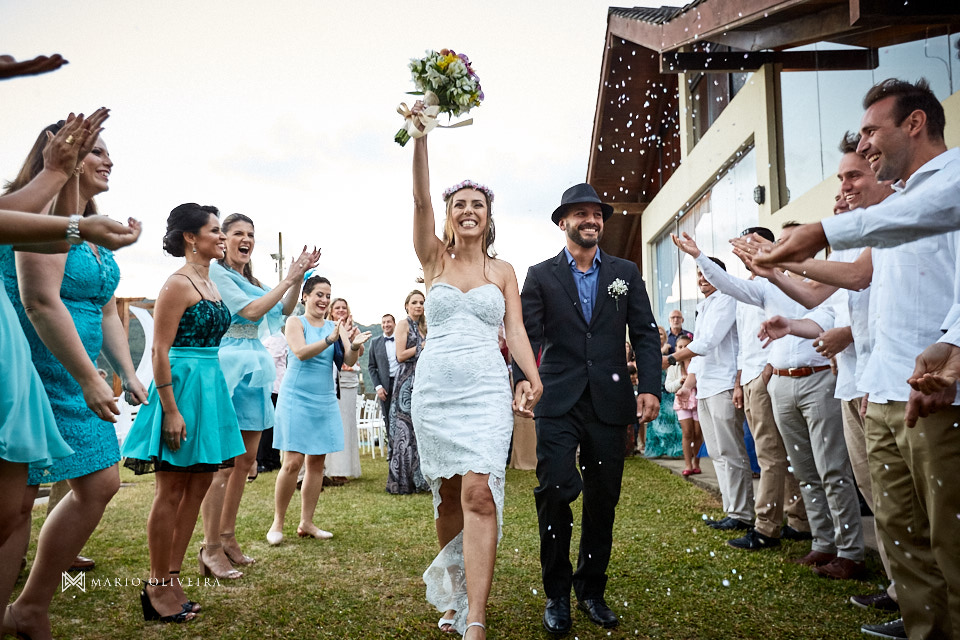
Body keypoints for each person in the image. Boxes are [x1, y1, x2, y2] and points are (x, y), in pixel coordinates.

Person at [756, 78, 960, 640]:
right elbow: (864, 282)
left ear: (914, 123)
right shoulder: (900, 206)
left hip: (938, 396)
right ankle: (923, 629)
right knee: (902, 533)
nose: (865, 144)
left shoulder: (952, 181)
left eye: (872, 131)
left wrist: (954, 344)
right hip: (886, 392)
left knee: (950, 538)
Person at [1, 115, 149, 640]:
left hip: (80, 373)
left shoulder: (87, 226)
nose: (108, 160)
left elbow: (107, 310)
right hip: (34, 367)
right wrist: (87, 375)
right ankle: (21, 610)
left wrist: (124, 369)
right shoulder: (28, 212)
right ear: (61, 151)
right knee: (16, 504)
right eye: (96, 150)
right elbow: (40, 300)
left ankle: (31, 603)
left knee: (100, 483)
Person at [408, 130, 543, 640]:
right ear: (449, 215)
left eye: (477, 205)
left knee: (479, 494)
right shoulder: (433, 259)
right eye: (460, 205)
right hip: (436, 392)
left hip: (486, 390)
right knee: (448, 497)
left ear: (489, 216)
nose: (468, 211)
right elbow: (420, 198)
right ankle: (454, 594)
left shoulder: (503, 270)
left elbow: (516, 330)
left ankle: (477, 617)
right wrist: (421, 137)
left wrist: (533, 377)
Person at [674, 230, 866, 577]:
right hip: (780, 382)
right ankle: (822, 543)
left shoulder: (823, 281)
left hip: (818, 378)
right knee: (804, 471)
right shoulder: (768, 285)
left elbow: (824, 320)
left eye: (789, 241)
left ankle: (850, 550)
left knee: (832, 470)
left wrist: (791, 321)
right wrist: (698, 256)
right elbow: (729, 285)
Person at [516, 183, 660, 635]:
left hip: (609, 402)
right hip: (557, 400)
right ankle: (557, 594)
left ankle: (591, 590)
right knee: (556, 490)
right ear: (563, 222)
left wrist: (650, 387)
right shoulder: (540, 276)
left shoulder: (625, 272)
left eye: (596, 214)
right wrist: (522, 378)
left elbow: (645, 332)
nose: (591, 220)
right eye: (581, 214)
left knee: (603, 499)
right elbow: (527, 335)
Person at [120, 204, 245, 623]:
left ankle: (172, 577)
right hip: (181, 388)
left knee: (199, 485)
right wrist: (170, 410)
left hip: (210, 387)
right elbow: (159, 350)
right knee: (171, 489)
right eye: (215, 230)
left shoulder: (210, 282)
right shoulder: (177, 284)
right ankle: (155, 586)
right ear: (191, 237)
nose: (222, 237)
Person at [201, 213, 319, 578]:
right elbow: (250, 310)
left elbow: (283, 308)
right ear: (224, 240)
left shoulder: (251, 280)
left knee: (245, 461)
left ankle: (228, 537)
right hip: (227, 366)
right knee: (223, 464)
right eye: (238, 233)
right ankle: (210, 546)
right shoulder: (217, 273)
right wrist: (288, 278)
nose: (246, 239)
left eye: (251, 234)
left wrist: (298, 278)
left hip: (255, 367)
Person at [267, 276, 370, 545]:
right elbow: (300, 352)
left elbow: (348, 360)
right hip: (296, 397)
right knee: (292, 462)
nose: (324, 300)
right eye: (319, 295)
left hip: (324, 398)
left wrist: (354, 345)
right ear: (305, 297)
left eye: (327, 296)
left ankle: (307, 522)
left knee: (316, 463)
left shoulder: (335, 327)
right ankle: (278, 522)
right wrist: (329, 339)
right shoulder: (295, 322)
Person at [726, 228, 809, 552]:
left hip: (766, 376)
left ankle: (766, 527)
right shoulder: (746, 288)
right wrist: (739, 382)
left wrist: (768, 371)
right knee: (778, 452)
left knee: (770, 454)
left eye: (751, 244)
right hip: (749, 378)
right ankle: (799, 520)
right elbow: (742, 343)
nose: (745, 251)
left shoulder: (777, 284)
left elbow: (786, 328)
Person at [666, 259, 754, 529]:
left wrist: (670, 359)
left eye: (707, 274)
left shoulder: (727, 298)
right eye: (699, 274)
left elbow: (708, 342)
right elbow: (699, 356)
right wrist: (686, 386)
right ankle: (731, 510)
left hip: (724, 384)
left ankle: (743, 514)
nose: (702, 279)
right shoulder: (703, 307)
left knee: (731, 450)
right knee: (716, 452)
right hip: (705, 387)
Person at [386, 290, 430, 495]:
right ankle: (403, 481)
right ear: (407, 306)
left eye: (421, 302)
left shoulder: (425, 326)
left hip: (423, 378)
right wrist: (421, 346)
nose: (418, 305)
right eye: (414, 302)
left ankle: (422, 479)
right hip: (406, 381)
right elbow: (400, 355)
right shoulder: (403, 325)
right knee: (405, 429)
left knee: (421, 429)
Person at [324, 296, 363, 483]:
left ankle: (345, 467)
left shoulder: (354, 329)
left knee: (347, 423)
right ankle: (332, 469)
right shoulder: (327, 327)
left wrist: (354, 340)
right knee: (335, 423)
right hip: (332, 377)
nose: (341, 310)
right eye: (337, 307)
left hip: (350, 378)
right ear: (331, 311)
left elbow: (359, 352)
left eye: (344, 308)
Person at [643, 326, 682, 459]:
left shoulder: (670, 350)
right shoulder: (649, 349)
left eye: (661, 334)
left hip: (668, 390)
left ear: (665, 337)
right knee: (655, 420)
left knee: (670, 420)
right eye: (656, 334)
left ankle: (672, 450)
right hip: (655, 389)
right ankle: (656, 450)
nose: (659, 336)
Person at [665, 334, 701, 475]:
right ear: (676, 349)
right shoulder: (673, 367)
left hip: (697, 400)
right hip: (682, 402)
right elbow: (668, 386)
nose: (684, 349)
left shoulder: (698, 362)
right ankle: (688, 465)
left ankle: (696, 462)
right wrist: (680, 382)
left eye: (687, 346)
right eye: (680, 347)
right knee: (687, 433)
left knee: (698, 433)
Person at [368, 313, 398, 442]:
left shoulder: (401, 339)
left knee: (403, 417)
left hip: (400, 382)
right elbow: (371, 367)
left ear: (394, 324)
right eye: (384, 322)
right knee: (388, 418)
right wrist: (378, 387)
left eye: (389, 322)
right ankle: (392, 448)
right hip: (385, 387)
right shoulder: (375, 342)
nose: (386, 325)